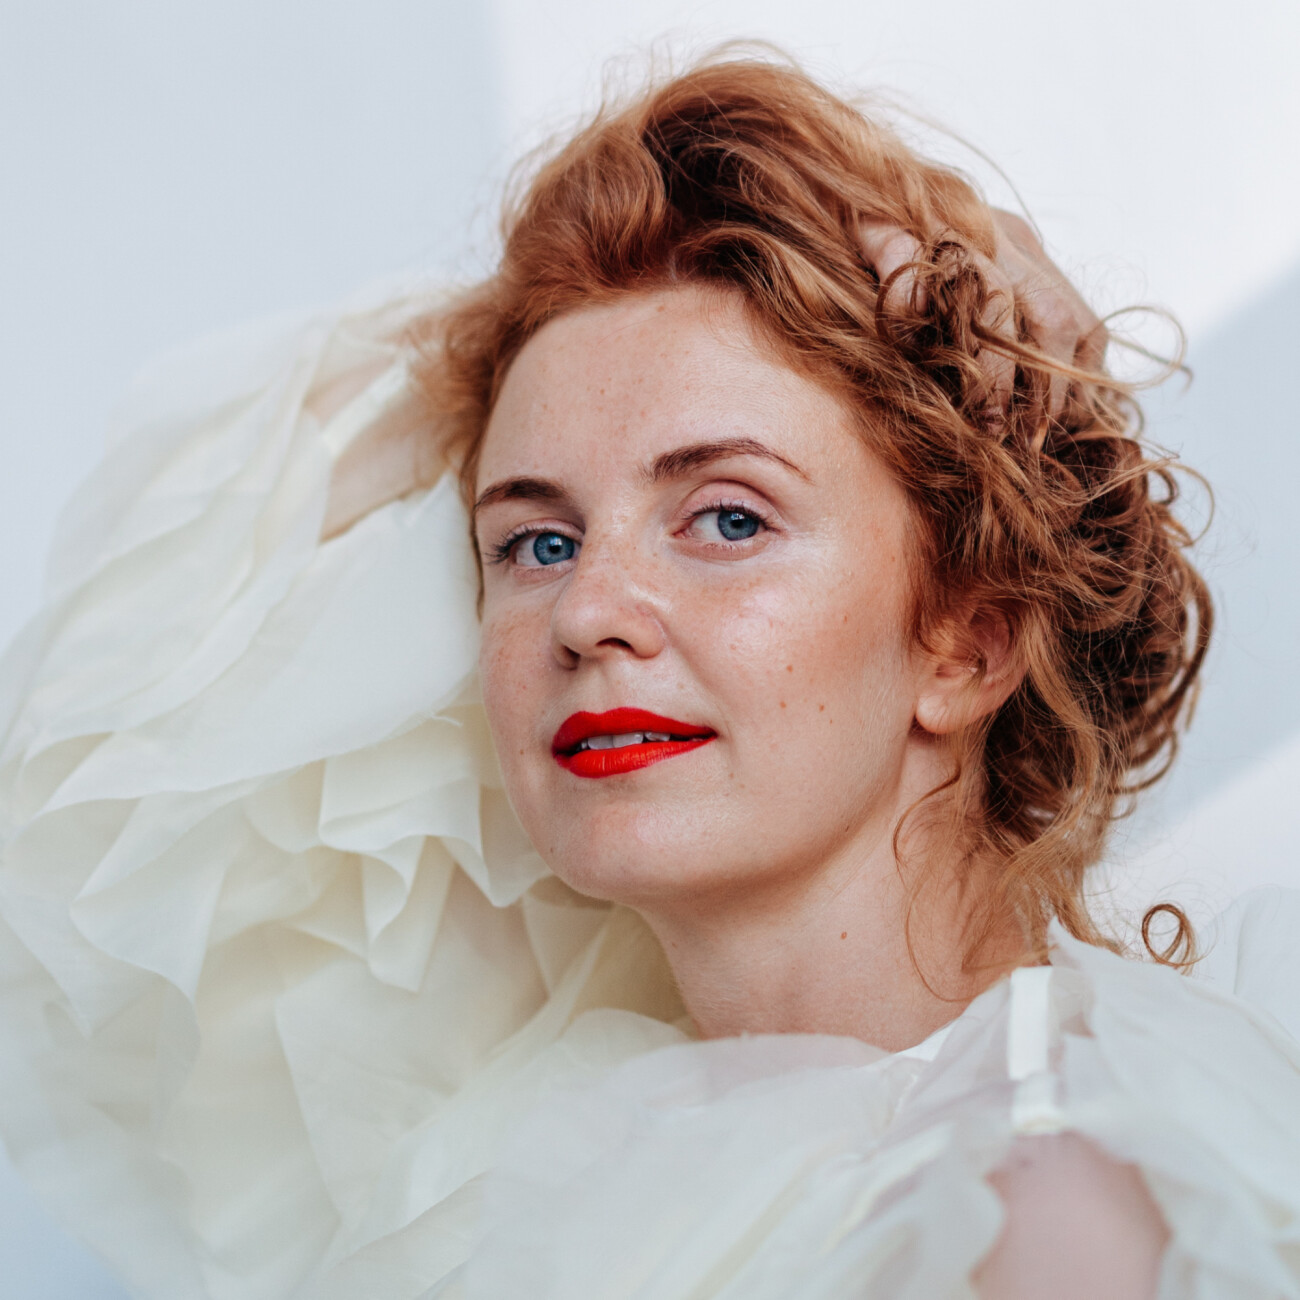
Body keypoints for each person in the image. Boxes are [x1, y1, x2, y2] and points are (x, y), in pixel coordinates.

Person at [0, 50, 1297, 1300]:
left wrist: (925, 288)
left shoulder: (1055, 1198)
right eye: (536, 541)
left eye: (727, 518)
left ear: (969, 640)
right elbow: (117, 704)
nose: (585, 613)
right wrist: (538, 304)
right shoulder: (565, 1151)